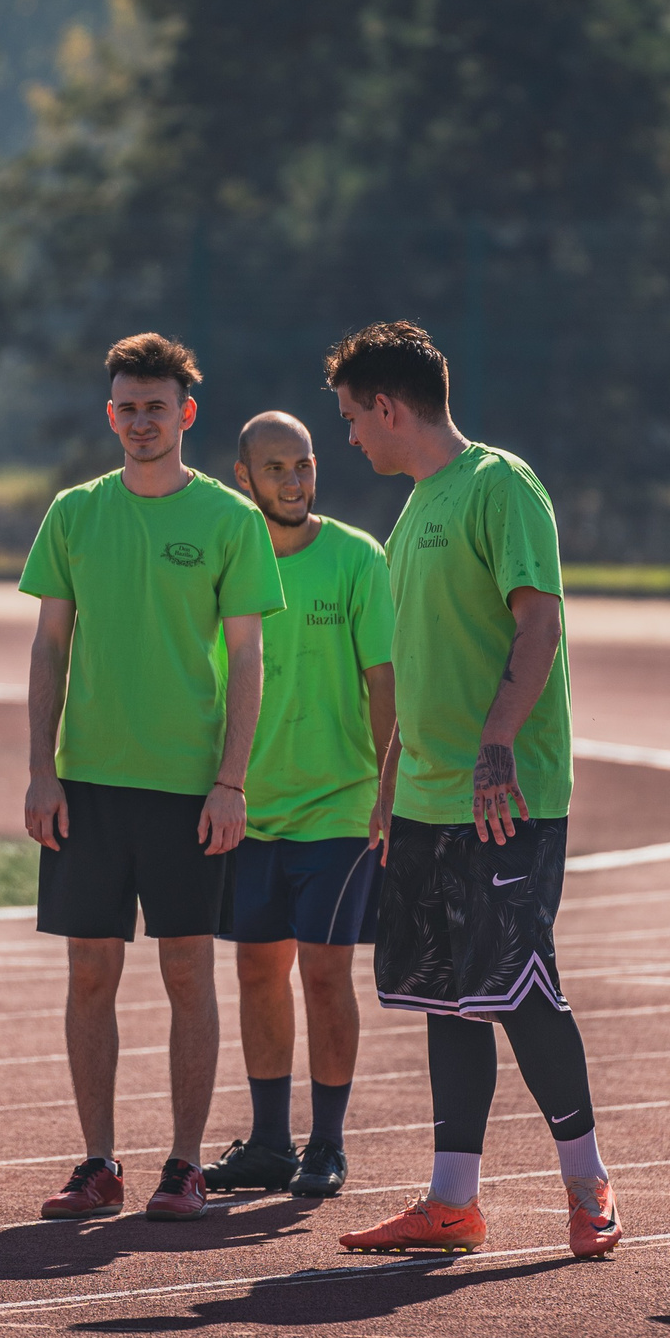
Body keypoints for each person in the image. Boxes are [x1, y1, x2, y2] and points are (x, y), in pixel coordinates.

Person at [323, 321, 622, 1262]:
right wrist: (391, 771)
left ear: (389, 405)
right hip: (425, 796)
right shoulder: (414, 508)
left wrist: (497, 742)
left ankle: (589, 1183)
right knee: (447, 999)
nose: (350, 439)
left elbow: (540, 625)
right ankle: (453, 1202)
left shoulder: (501, 485)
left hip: (506, 797)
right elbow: (427, 659)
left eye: (352, 419)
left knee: (521, 991)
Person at [21, 333, 285, 1223]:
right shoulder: (74, 514)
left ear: (187, 413)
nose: (142, 421)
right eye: (128, 407)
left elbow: (248, 660)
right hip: (86, 786)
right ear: (111, 415)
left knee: (186, 974)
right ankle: (98, 1161)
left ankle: (184, 1165)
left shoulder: (229, 520)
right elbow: (50, 644)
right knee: (89, 974)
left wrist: (231, 780)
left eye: (156, 407)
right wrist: (40, 770)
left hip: (188, 789)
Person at [197, 411, 396, 1201]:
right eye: (276, 467)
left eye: (305, 463)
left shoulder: (357, 557)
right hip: (249, 805)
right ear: (243, 476)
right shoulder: (227, 558)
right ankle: (272, 1142)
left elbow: (384, 683)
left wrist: (390, 790)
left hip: (339, 808)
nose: (294, 479)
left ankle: (328, 1143)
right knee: (255, 969)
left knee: (323, 973)